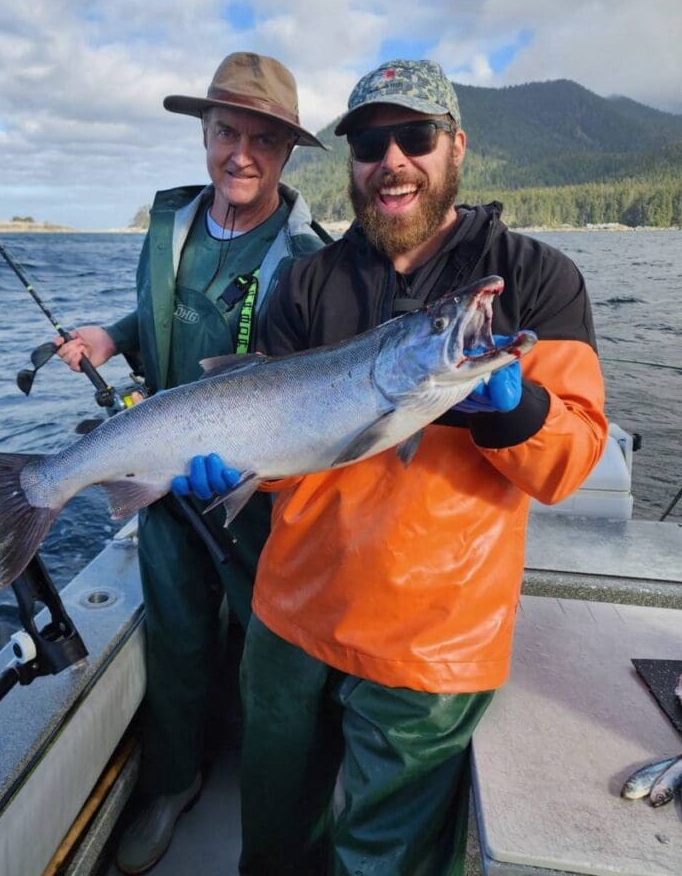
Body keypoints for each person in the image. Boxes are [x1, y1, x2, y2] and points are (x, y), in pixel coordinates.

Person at [184, 59, 608, 875]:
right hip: (291, 617)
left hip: (431, 643)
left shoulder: (534, 279)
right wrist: (239, 472)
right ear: (351, 164)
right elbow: (283, 441)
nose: (392, 161)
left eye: (414, 137)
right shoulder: (307, 282)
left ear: (456, 146)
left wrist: (515, 413)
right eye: (371, 143)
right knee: (273, 843)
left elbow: (570, 463)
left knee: (384, 860)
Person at [56, 51, 326, 875]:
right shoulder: (169, 224)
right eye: (224, 132)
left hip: (264, 486)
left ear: (286, 153)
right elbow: (160, 316)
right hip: (167, 481)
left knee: (273, 645)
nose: (240, 153)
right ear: (204, 135)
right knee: (175, 633)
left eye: (261, 140)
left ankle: (275, 798)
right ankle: (172, 782)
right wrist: (115, 335)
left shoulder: (311, 253)